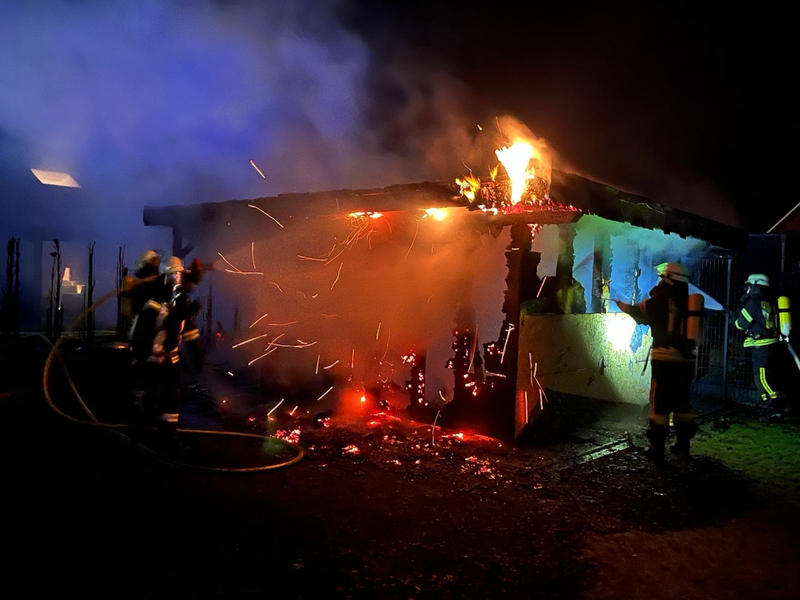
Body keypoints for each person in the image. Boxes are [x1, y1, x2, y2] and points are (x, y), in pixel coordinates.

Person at [614, 262, 698, 460]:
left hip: (664, 360)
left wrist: (621, 304)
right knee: (682, 402)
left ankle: (657, 447)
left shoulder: (660, 300)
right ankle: (683, 445)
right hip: (687, 362)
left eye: (663, 277)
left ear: (668, 278)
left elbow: (639, 313)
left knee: (659, 402)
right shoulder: (691, 301)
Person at [127, 254, 205, 430]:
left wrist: (197, 355)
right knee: (150, 398)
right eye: (173, 275)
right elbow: (141, 335)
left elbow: (189, 333)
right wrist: (144, 356)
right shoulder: (153, 306)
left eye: (179, 275)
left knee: (171, 399)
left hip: (172, 361)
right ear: (164, 278)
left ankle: (169, 434)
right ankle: (144, 437)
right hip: (152, 361)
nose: (177, 279)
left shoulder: (179, 305)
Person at [734, 274, 787, 422]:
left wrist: (736, 317)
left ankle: (775, 409)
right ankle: (771, 407)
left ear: (755, 285)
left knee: (763, 378)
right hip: (772, 344)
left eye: (749, 286)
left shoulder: (753, 302)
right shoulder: (770, 300)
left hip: (761, 346)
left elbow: (742, 324)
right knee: (770, 377)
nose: (747, 289)